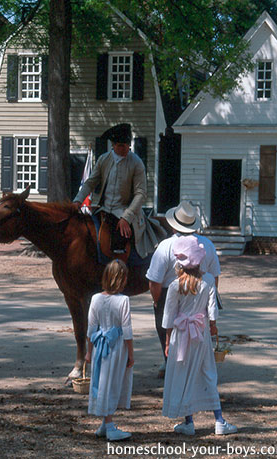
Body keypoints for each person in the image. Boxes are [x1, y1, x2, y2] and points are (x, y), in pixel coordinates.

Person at [162, 235, 237, 436]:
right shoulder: (209, 281)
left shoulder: (175, 285)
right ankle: (219, 420)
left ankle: (189, 421)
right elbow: (212, 310)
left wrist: (168, 340)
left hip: (180, 335)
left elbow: (168, 316)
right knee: (207, 372)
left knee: (184, 374)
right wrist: (213, 326)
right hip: (200, 333)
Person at [146, 200, 221, 377]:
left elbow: (154, 281)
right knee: (198, 334)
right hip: (200, 292)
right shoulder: (208, 245)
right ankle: (197, 369)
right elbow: (215, 277)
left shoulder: (165, 246)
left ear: (173, 226)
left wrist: (157, 302)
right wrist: (208, 299)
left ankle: (171, 365)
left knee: (169, 333)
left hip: (170, 293)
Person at [73, 123, 166, 258]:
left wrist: (126, 217)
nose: (124, 149)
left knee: (119, 241)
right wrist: (77, 200)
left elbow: (141, 194)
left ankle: (121, 268)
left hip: (125, 210)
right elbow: (90, 182)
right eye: (120, 146)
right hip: (103, 209)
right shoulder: (103, 159)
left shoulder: (136, 163)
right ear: (113, 145)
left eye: (127, 145)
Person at [85, 259, 134, 441]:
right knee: (112, 383)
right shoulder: (123, 300)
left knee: (103, 380)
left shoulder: (96, 298)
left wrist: (89, 351)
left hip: (100, 346)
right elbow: (127, 331)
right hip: (117, 347)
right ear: (121, 279)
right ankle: (111, 425)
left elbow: (91, 328)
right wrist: (131, 354)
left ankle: (105, 424)